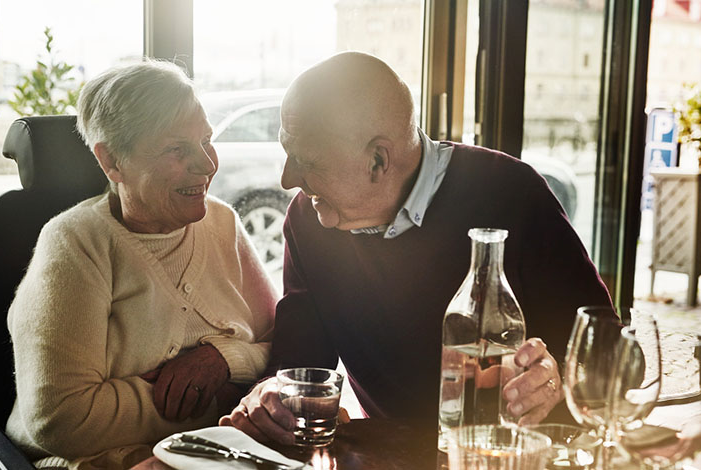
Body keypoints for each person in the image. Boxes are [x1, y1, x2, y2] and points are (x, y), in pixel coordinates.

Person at [220, 51, 613, 444]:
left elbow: (609, 354)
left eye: (305, 160)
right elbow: (299, 365)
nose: (288, 179)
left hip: (513, 453)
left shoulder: (512, 192)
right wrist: (274, 394)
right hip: (395, 457)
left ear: (378, 160)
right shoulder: (308, 220)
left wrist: (557, 379)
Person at [5, 60, 277, 469]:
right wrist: (217, 400)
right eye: (177, 149)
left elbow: (281, 344)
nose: (206, 164)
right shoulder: (75, 245)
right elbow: (60, 419)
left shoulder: (222, 223)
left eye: (206, 140)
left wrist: (224, 360)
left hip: (219, 451)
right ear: (111, 161)